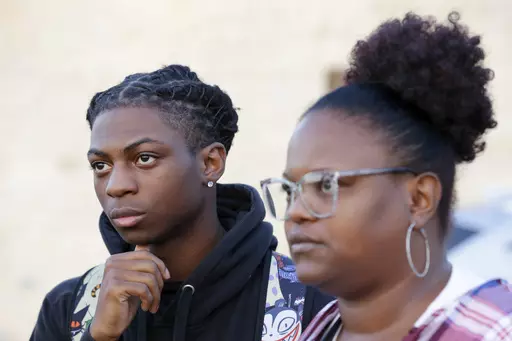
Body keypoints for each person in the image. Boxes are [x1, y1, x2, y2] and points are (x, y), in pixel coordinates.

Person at [30, 64, 333, 341]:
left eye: (144, 158)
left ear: (210, 163)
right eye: (101, 166)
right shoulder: (70, 309)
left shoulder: (310, 306)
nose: (115, 186)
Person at [260, 12, 512, 341]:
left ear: (419, 199)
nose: (295, 212)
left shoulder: (489, 332)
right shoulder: (320, 327)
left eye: (326, 184)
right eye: (292, 190)